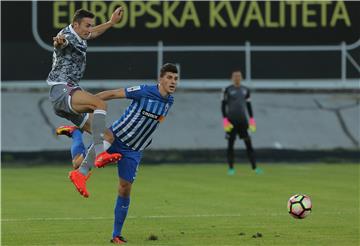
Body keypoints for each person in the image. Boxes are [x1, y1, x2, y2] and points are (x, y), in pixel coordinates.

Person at [58, 63, 179, 244]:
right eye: (169, 77)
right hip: (113, 138)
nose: (173, 81)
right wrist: (90, 104)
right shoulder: (144, 91)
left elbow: (152, 122)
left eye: (175, 78)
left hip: (133, 151)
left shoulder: (169, 101)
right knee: (78, 165)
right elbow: (113, 94)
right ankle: (76, 134)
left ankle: (116, 235)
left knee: (125, 189)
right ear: (160, 79)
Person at [48, 8, 124, 169]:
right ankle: (101, 154)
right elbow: (60, 43)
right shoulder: (67, 37)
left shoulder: (79, 33)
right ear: (76, 24)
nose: (90, 30)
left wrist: (111, 23)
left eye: (91, 26)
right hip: (61, 90)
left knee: (108, 138)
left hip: (68, 94)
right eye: (87, 26)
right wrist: (58, 42)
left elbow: (94, 33)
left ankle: (76, 138)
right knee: (100, 104)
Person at [221, 70, 262, 175]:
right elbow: (223, 105)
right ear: (232, 78)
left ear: (241, 78)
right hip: (231, 121)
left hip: (243, 121)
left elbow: (248, 106)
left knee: (248, 143)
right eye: (235, 76)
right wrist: (225, 120)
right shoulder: (227, 90)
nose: (237, 78)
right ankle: (231, 168)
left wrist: (252, 119)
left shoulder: (246, 90)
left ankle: (254, 168)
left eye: (239, 76)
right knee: (231, 144)